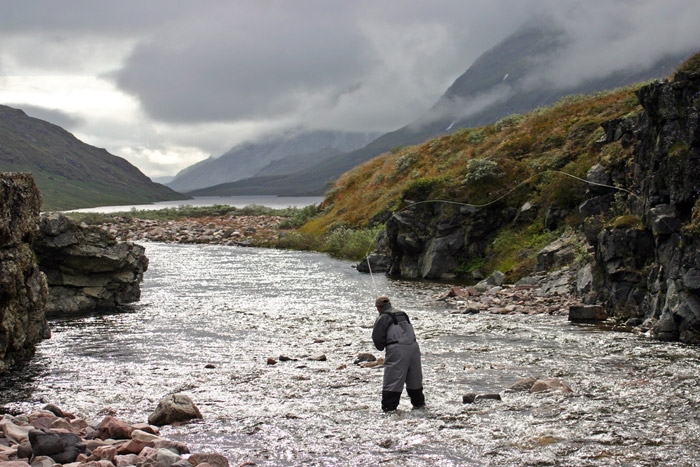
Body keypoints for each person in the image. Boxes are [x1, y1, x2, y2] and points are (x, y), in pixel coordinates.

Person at [371, 296, 425, 412]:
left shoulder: (383, 317)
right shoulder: (403, 314)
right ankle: (419, 406)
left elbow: (377, 338)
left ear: (378, 308)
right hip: (414, 348)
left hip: (397, 349)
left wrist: (381, 347)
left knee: (393, 380)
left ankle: (389, 410)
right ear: (390, 304)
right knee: (414, 379)